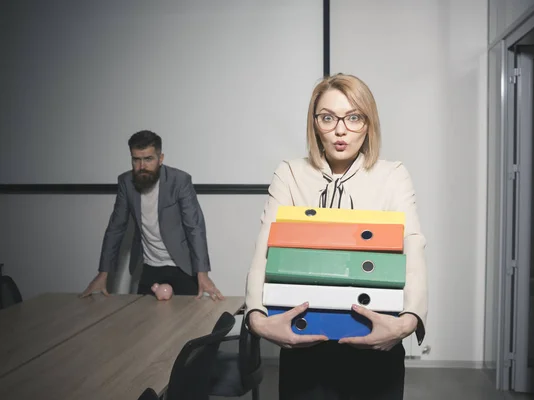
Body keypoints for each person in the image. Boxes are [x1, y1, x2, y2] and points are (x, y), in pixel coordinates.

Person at [244, 73, 428, 399]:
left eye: (353, 117)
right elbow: (264, 250)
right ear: (315, 124)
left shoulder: (392, 176)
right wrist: (256, 318)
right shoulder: (290, 173)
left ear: (369, 124)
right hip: (304, 346)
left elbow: (412, 248)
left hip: (376, 345)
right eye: (328, 118)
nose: (340, 130)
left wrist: (407, 322)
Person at [80, 130, 224, 300]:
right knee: (143, 321)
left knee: (189, 319)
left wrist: (202, 273)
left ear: (160, 158)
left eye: (148, 159)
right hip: (149, 266)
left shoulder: (179, 181)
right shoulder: (126, 183)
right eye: (136, 160)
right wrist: (103, 274)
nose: (142, 166)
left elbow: (195, 227)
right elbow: (115, 228)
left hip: (182, 265)